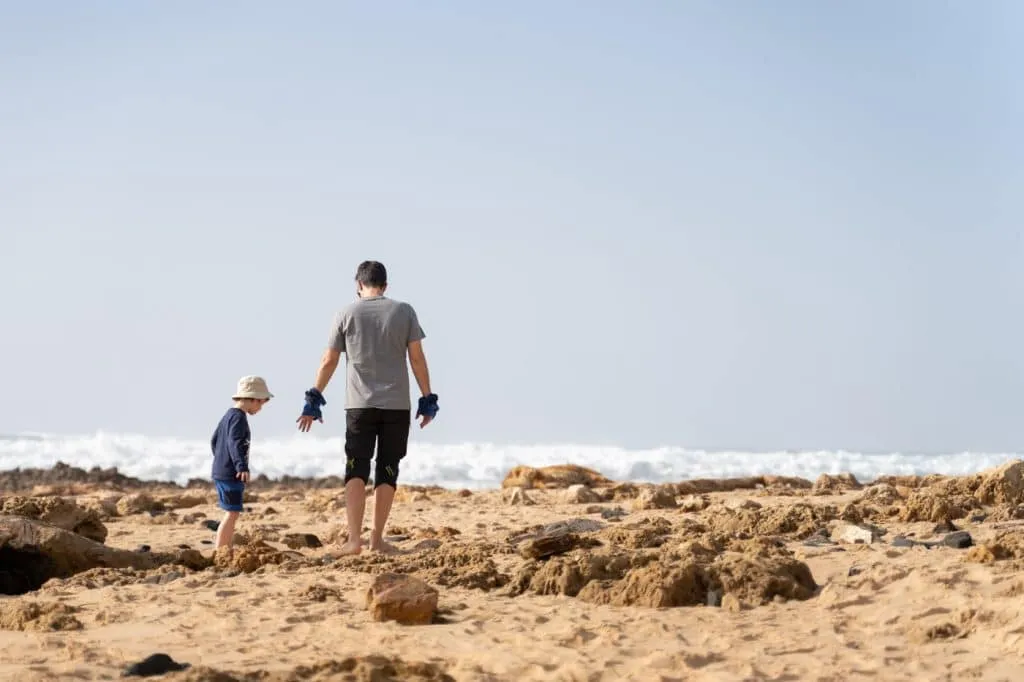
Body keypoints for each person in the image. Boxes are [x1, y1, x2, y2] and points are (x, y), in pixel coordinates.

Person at [296, 260, 438, 555]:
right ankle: (377, 540)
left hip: (359, 406)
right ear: (385, 285)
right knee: (388, 468)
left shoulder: (345, 313)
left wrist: (314, 399)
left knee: (356, 468)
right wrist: (428, 398)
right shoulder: (404, 311)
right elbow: (417, 359)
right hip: (397, 406)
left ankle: (353, 541)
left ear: (358, 285)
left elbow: (329, 360)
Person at [210, 375, 273, 558]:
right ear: (252, 398)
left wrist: (221, 460)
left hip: (221, 470)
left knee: (231, 511)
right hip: (231, 474)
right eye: (260, 403)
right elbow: (236, 443)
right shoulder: (239, 418)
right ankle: (221, 552)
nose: (260, 408)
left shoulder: (227, 416)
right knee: (232, 513)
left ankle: (224, 549)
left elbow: (214, 441)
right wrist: (240, 466)